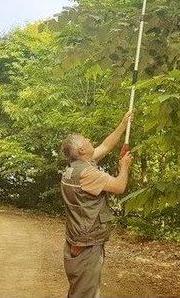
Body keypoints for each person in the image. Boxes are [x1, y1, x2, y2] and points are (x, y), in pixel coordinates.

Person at [60, 111, 134, 298]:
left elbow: (106, 145)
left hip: (79, 238)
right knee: (85, 294)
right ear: (82, 151)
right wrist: (124, 166)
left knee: (80, 290)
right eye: (85, 139)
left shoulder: (75, 168)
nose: (89, 139)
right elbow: (119, 186)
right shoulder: (88, 174)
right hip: (86, 242)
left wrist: (123, 123)